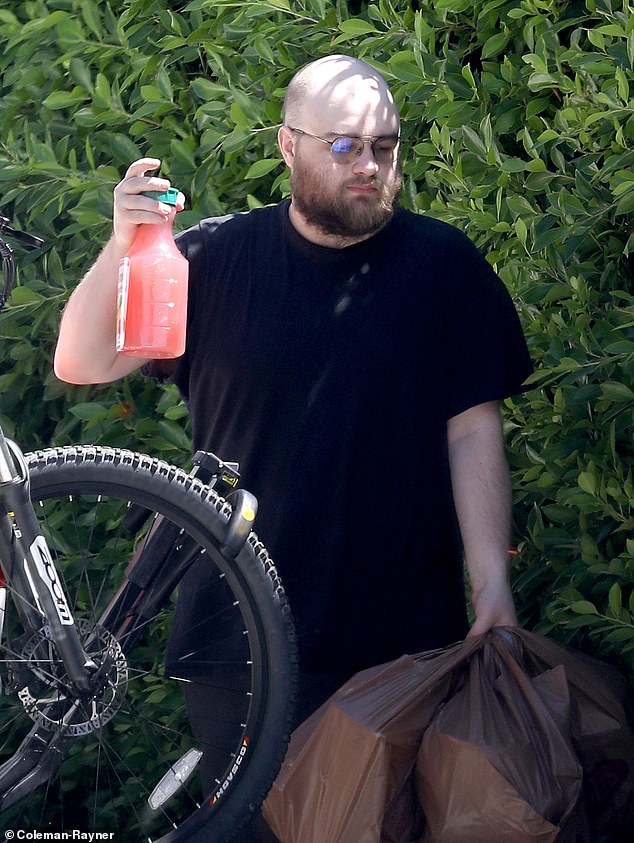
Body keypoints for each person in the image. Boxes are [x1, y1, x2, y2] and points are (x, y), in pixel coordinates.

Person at [54, 54, 532, 839]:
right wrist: (123, 242)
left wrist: (492, 591)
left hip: (406, 645)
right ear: (288, 145)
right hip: (240, 645)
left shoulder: (445, 270)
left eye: (385, 145)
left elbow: (472, 429)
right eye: (344, 145)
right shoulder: (210, 262)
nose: (370, 165)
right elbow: (84, 360)